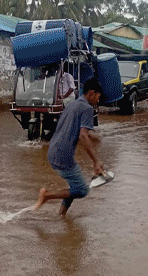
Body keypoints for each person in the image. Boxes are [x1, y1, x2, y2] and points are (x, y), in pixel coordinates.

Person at [34, 78, 106, 217]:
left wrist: (92, 136)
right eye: (98, 96)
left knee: (74, 185)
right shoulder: (87, 108)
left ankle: (61, 215)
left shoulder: (72, 105)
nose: (98, 100)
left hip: (54, 150)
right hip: (63, 155)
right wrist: (96, 162)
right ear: (91, 93)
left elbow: (73, 128)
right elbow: (82, 136)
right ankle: (47, 196)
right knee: (82, 190)